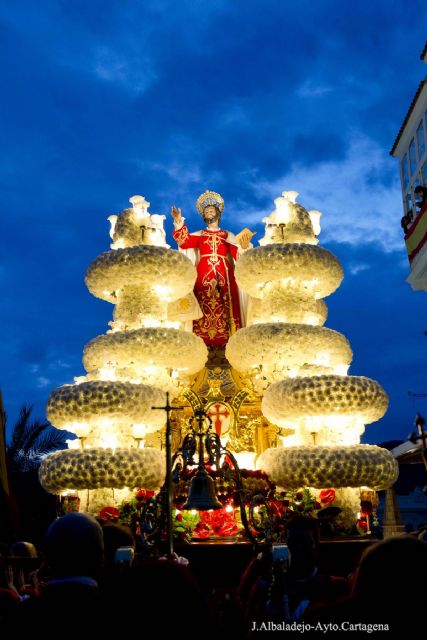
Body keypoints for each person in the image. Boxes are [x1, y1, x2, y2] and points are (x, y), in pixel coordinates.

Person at [171, 191, 253, 347]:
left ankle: (228, 339)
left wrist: (242, 247)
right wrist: (178, 221)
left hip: (225, 272)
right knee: (203, 300)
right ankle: (202, 340)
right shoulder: (201, 235)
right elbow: (184, 242)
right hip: (204, 271)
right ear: (204, 216)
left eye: (212, 210)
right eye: (206, 211)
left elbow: (237, 254)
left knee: (226, 303)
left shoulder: (226, 234)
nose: (209, 212)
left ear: (218, 213)